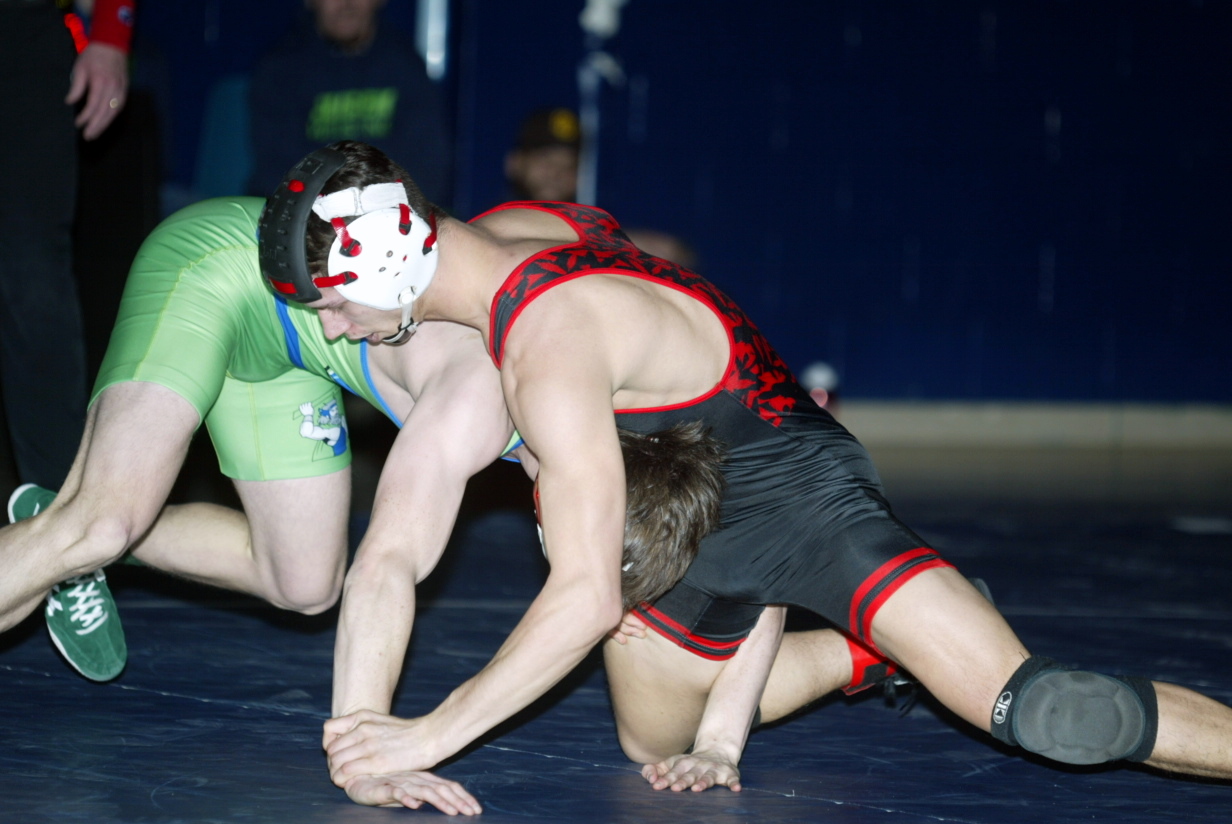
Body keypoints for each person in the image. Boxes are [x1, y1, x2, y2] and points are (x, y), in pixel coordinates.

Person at [266, 142, 1231, 803]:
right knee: (654, 744)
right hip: (690, 494)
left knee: (1048, 712)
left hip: (806, 504)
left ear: (387, 267)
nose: (334, 331)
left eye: (333, 305)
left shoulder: (546, 352)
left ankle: (897, 635)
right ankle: (868, 653)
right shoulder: (525, 227)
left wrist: (427, 733)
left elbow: (585, 597)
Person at [248, 0, 451, 205]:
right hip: (302, 210)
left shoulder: (407, 66)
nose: (347, 4)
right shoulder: (280, 70)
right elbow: (276, 171)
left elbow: (428, 167)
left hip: (389, 210)